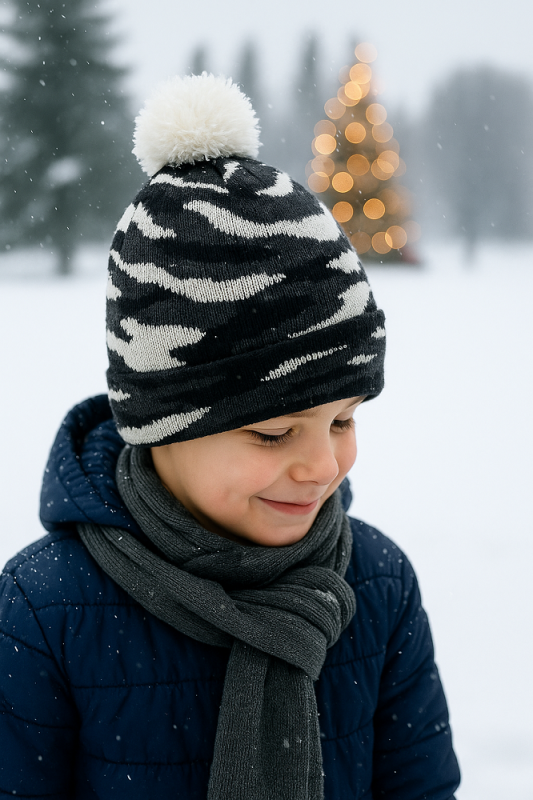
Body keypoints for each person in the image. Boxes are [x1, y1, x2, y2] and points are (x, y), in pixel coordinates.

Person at [0, 74, 460, 799]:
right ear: (160, 426)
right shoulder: (45, 610)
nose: (321, 466)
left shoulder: (373, 584)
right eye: (273, 432)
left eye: (342, 420)